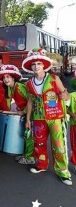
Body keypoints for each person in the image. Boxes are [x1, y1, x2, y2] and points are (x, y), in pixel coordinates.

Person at [23, 48, 72, 186]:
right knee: (39, 144)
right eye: (34, 64)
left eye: (39, 63)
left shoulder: (54, 78)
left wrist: (64, 96)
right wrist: (28, 119)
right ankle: (41, 164)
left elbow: (65, 94)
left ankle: (63, 172)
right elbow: (30, 101)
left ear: (44, 65)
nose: (36, 66)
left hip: (56, 117)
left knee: (59, 145)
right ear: (31, 67)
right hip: (38, 118)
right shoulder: (29, 83)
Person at [0, 64, 35, 165]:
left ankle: (30, 158)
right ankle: (26, 154)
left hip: (32, 113)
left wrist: (26, 114)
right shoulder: (10, 88)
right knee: (26, 135)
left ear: (13, 78)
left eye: (8, 77)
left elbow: (31, 100)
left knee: (30, 136)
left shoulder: (20, 87)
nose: (5, 79)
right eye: (4, 77)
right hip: (25, 113)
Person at [67, 75, 76, 174]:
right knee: (75, 144)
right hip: (75, 124)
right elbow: (65, 107)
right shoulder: (72, 95)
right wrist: (73, 114)